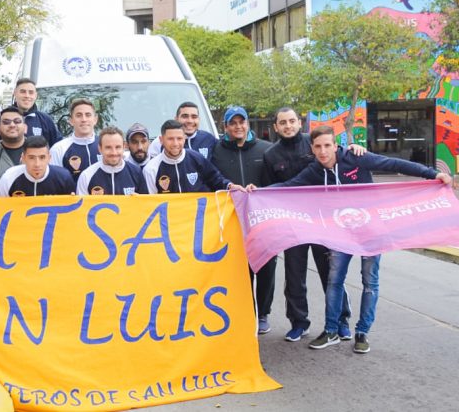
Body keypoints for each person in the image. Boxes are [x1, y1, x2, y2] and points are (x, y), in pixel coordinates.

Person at [256, 125, 452, 353]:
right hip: (340, 234)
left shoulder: (356, 158)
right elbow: (287, 188)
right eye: (318, 147)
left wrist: (433, 173)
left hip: (371, 230)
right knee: (334, 281)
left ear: (335, 145)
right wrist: (256, 193)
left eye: (327, 145)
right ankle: (331, 330)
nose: (323, 151)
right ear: (312, 148)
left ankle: (362, 332)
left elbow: (395, 164)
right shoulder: (315, 171)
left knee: (369, 282)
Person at [262, 107, 359, 343]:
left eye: (292, 121)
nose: (288, 126)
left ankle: (341, 321)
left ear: (300, 122)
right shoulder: (270, 155)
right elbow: (270, 191)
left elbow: (340, 156)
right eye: (282, 122)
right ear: (276, 127)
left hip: (322, 221)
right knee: (294, 275)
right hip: (292, 223)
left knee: (331, 273)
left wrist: (356, 149)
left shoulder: (314, 143)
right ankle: (298, 323)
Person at [210, 106, 276, 335]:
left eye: (242, 122)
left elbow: (276, 182)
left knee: (266, 267)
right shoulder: (216, 150)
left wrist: (260, 190)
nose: (238, 126)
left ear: (248, 124)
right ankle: (247, 312)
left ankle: (264, 313)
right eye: (233, 123)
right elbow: (211, 181)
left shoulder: (266, 149)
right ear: (225, 127)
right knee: (240, 270)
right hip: (231, 221)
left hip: (261, 220)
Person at [143, 120, 242, 193]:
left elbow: (215, 179)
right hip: (169, 220)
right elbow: (151, 203)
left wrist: (230, 186)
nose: (175, 143)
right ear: (161, 140)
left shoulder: (196, 158)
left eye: (179, 138)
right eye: (170, 139)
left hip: (198, 220)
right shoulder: (151, 169)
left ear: (184, 139)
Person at [0, 78, 62, 148]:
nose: (27, 96)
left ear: (35, 95)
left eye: (31, 92)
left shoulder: (46, 120)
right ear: (15, 93)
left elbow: (57, 148)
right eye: (23, 92)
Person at [0, 136, 75, 197]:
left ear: (49, 158)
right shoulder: (9, 178)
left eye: (42, 157)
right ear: (23, 158)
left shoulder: (63, 177)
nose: (37, 164)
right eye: (31, 158)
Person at [77, 126, 147, 195]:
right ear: (100, 149)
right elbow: (81, 205)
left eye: (118, 147)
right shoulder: (87, 176)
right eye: (108, 147)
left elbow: (147, 204)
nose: (114, 152)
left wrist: (139, 201)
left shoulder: (136, 173)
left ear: (124, 147)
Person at [50, 98, 99, 183]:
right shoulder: (58, 149)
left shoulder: (108, 146)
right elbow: (53, 183)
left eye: (88, 115)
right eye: (79, 115)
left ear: (95, 119)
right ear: (71, 121)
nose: (84, 119)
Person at [148, 102, 217, 160]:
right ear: (176, 119)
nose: (190, 121)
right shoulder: (159, 143)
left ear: (199, 119)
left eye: (194, 117)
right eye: (185, 116)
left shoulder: (209, 138)